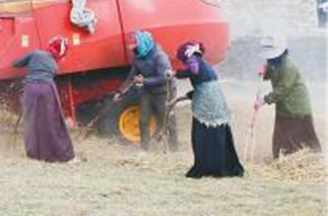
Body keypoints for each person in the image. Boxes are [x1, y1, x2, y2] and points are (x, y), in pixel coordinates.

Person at [174, 40, 244, 178]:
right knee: (218, 135)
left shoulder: (193, 60)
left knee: (202, 136)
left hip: (206, 105)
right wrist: (184, 97)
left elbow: (194, 71)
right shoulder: (203, 62)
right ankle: (223, 166)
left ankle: (207, 167)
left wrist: (176, 73)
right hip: (217, 101)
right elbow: (203, 85)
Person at [256, 34, 322, 158]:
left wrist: (264, 100)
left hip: (296, 106)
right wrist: (264, 72)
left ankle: (311, 158)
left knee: (303, 134)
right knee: (282, 134)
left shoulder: (289, 67)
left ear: (283, 52)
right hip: (283, 106)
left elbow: (282, 90)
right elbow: (270, 74)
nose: (270, 60)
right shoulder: (274, 62)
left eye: (273, 57)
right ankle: (282, 158)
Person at [12, 36, 75, 163]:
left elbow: (16, 63)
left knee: (31, 121)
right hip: (48, 90)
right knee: (51, 121)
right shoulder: (54, 64)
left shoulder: (35, 54)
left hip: (32, 88)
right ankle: (61, 154)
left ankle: (33, 154)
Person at [114, 30, 178, 151]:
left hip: (164, 92)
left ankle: (174, 149)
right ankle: (144, 149)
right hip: (148, 92)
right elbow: (131, 77)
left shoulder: (160, 57)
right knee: (143, 121)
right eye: (133, 47)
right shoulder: (138, 58)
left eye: (136, 47)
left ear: (144, 44)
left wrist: (144, 81)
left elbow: (164, 78)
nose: (134, 50)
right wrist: (120, 91)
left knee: (167, 121)